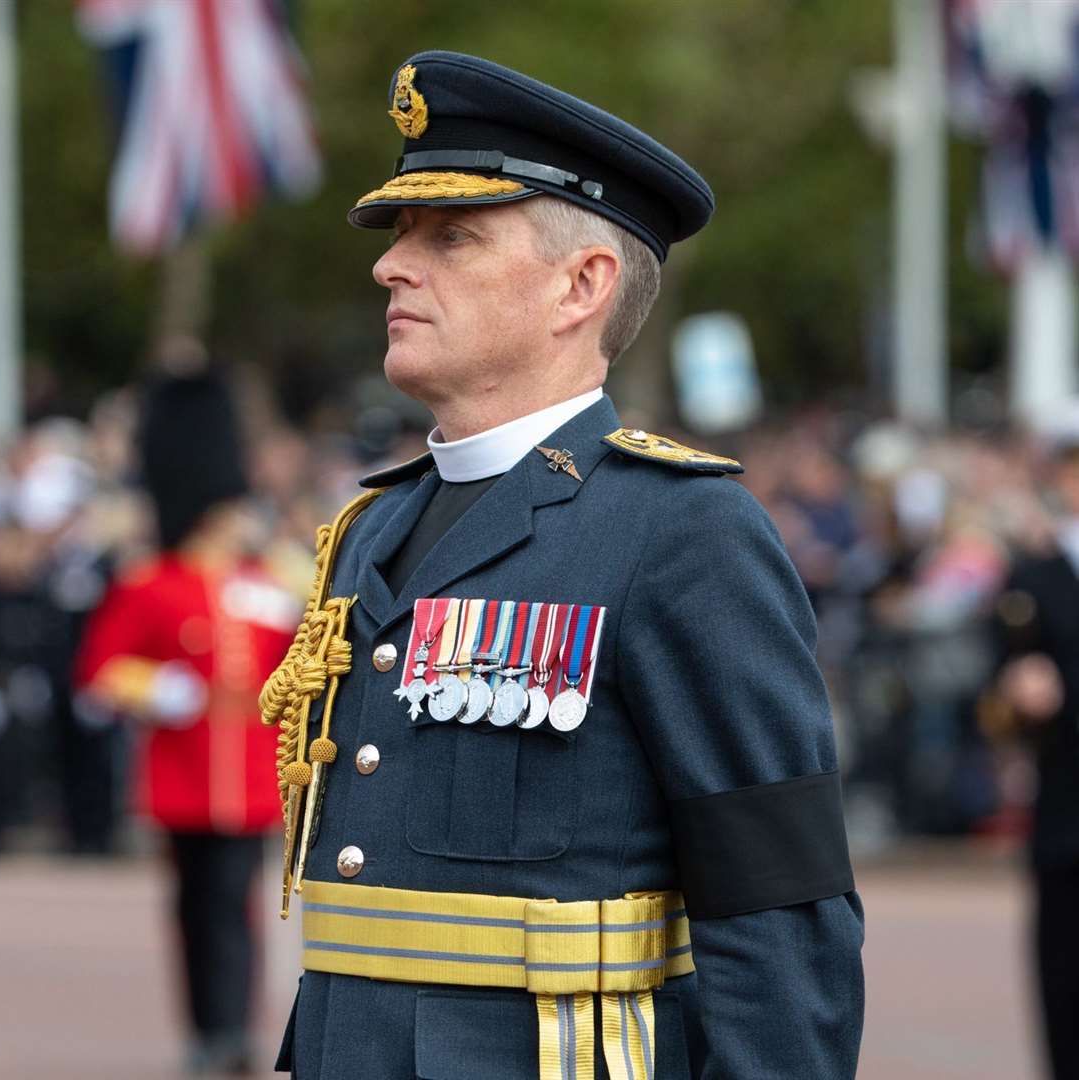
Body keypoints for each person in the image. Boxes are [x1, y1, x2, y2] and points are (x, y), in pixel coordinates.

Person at [263, 52, 864, 1079]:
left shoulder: (681, 531)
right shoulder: (372, 526)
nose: (390, 268)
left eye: (450, 236)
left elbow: (776, 904)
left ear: (579, 286)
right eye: (402, 237)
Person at [76, 372, 297, 1076]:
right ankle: (204, 1028)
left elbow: (297, 668)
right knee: (193, 910)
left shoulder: (270, 582)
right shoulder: (150, 585)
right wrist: (156, 689)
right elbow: (100, 671)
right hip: (182, 769)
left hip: (252, 771)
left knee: (238, 908)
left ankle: (232, 1030)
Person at [993, 422, 1079, 1079]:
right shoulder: (1033, 576)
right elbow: (990, 701)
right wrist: (1014, 693)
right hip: (1066, 810)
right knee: (1064, 971)